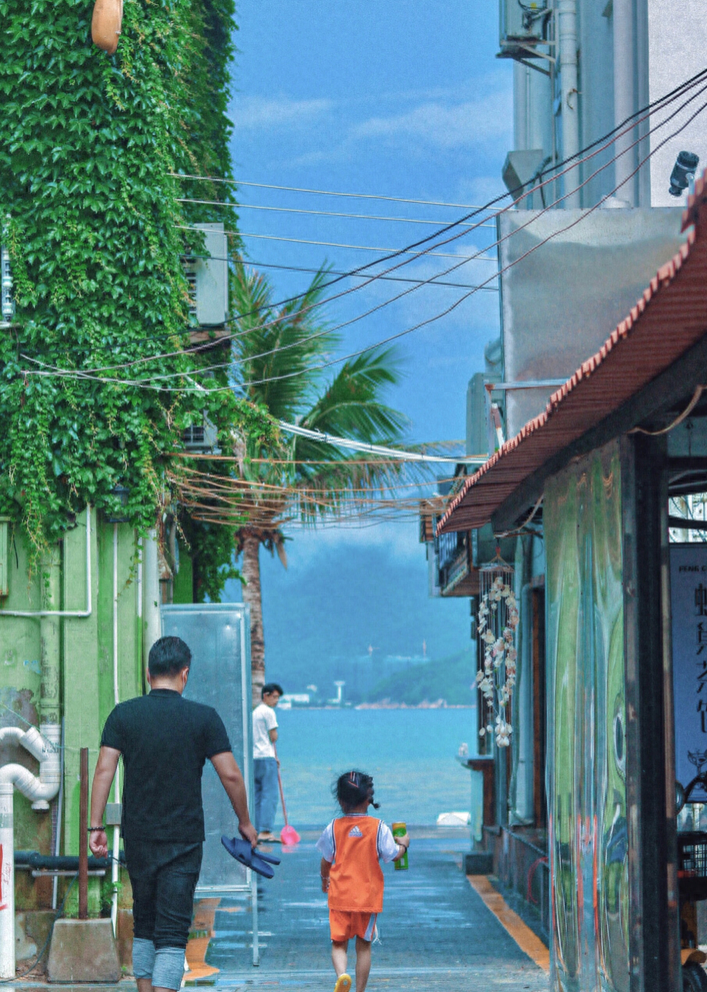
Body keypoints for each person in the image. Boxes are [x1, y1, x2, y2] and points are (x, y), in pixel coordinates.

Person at [89, 636, 257, 992]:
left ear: (148, 674)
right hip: (182, 841)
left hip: (139, 837)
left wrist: (95, 825)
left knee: (145, 923)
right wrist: (244, 822)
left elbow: (104, 769)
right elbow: (231, 775)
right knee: (172, 931)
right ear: (185, 673)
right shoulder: (203, 718)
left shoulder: (124, 714)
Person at [317, 770, 410, 992]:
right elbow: (393, 855)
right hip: (367, 898)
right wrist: (404, 844)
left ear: (340, 801)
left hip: (340, 896)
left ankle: (342, 976)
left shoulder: (333, 828)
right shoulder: (379, 828)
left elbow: (325, 861)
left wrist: (324, 880)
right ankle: (358, 990)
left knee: (338, 944)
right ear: (369, 799)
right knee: (364, 946)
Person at [252, 682, 283, 843]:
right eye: (275, 697)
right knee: (270, 795)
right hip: (266, 756)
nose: (276, 701)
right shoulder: (268, 712)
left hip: (255, 758)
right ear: (266, 695)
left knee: (258, 795)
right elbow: (273, 736)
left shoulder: (255, 712)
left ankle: (256, 830)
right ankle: (265, 830)